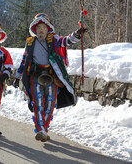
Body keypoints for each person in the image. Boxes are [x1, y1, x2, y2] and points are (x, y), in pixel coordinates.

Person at [14, 13, 87, 142]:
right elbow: (24, 61)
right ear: (34, 30)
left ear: (48, 29)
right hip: (35, 77)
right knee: (38, 104)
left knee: (50, 104)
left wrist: (77, 34)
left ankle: (44, 128)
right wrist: (18, 76)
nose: (41, 30)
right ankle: (40, 129)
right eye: (38, 28)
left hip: (52, 77)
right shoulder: (30, 43)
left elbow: (67, 41)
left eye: (43, 27)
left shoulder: (54, 40)